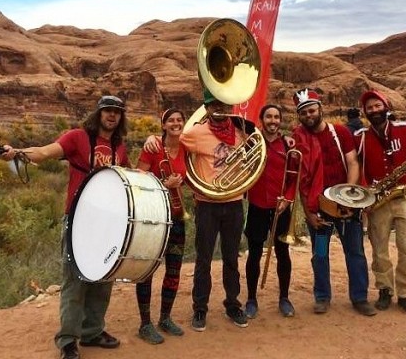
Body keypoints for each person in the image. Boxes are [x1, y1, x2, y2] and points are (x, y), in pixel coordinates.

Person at [16, 95, 130, 359]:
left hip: (107, 222)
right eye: (107, 111)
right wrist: (17, 153)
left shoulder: (120, 147)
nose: (112, 116)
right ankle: (67, 340)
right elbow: (45, 153)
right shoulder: (77, 137)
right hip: (79, 219)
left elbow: (125, 181)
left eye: (117, 112)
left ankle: (92, 331)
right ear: (98, 114)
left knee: (104, 277)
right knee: (74, 279)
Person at [144, 88, 251, 332]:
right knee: (203, 259)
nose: (220, 109)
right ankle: (200, 308)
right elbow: (169, 141)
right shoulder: (196, 133)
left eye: (224, 104)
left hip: (234, 202)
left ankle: (232, 304)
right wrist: (152, 136)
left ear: (231, 106)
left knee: (232, 258)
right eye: (214, 105)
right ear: (207, 108)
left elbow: (252, 156)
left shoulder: (240, 131)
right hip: (207, 205)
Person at [292, 88, 376, 316]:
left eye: (311, 110)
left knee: (355, 251)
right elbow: (303, 180)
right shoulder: (300, 139)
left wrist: (348, 197)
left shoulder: (340, 132)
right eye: (303, 113)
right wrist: (309, 213)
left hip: (346, 204)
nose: (308, 115)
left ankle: (359, 297)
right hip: (319, 207)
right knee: (320, 253)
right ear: (299, 116)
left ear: (320, 109)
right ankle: (322, 297)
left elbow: (353, 164)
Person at [355, 89, 406, 314]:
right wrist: (367, 194)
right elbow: (358, 168)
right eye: (370, 108)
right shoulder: (361, 136)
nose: (374, 110)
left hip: (404, 197)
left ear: (386, 107)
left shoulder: (405, 129)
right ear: (366, 113)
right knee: (379, 251)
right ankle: (385, 290)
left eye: (378, 106)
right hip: (378, 200)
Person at [135, 108, 187, 344]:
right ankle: (145, 324)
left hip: (176, 217)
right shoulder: (153, 146)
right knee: (147, 271)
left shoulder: (186, 148)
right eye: (171, 121)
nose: (176, 123)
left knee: (174, 270)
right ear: (164, 125)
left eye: (179, 120)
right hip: (154, 218)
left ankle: (165, 317)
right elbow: (138, 178)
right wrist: (163, 184)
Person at [244, 104, 297, 319]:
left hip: (281, 207)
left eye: (276, 117)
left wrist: (289, 198)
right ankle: (251, 299)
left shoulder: (288, 145)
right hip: (257, 205)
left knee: (282, 254)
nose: (273, 120)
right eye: (269, 117)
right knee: (254, 254)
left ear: (280, 120)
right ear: (262, 119)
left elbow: (295, 176)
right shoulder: (252, 143)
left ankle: (284, 298)